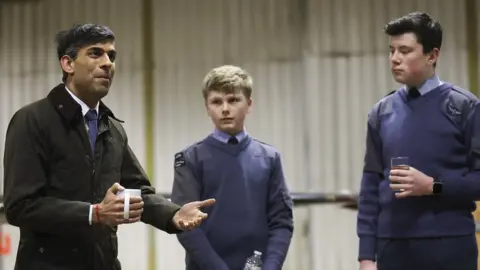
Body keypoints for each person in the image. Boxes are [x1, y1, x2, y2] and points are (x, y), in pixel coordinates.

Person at [2, 24, 215, 270]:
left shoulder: (112, 128)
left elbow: (137, 190)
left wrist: (172, 214)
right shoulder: (32, 120)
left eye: (111, 56)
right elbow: (20, 206)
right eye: (95, 53)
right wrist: (94, 213)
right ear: (68, 64)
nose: (107, 63)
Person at [356, 12, 480, 270]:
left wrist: (433, 186)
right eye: (392, 51)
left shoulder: (465, 107)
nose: (394, 59)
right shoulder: (381, 113)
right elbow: (370, 186)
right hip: (393, 250)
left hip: (449, 248)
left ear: (432, 55)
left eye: (404, 50)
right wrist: (366, 255)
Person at [170, 65, 294, 270]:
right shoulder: (189, 159)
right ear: (207, 107)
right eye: (217, 102)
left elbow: (282, 222)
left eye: (233, 100)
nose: (225, 109)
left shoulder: (269, 158)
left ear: (249, 104)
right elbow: (186, 226)